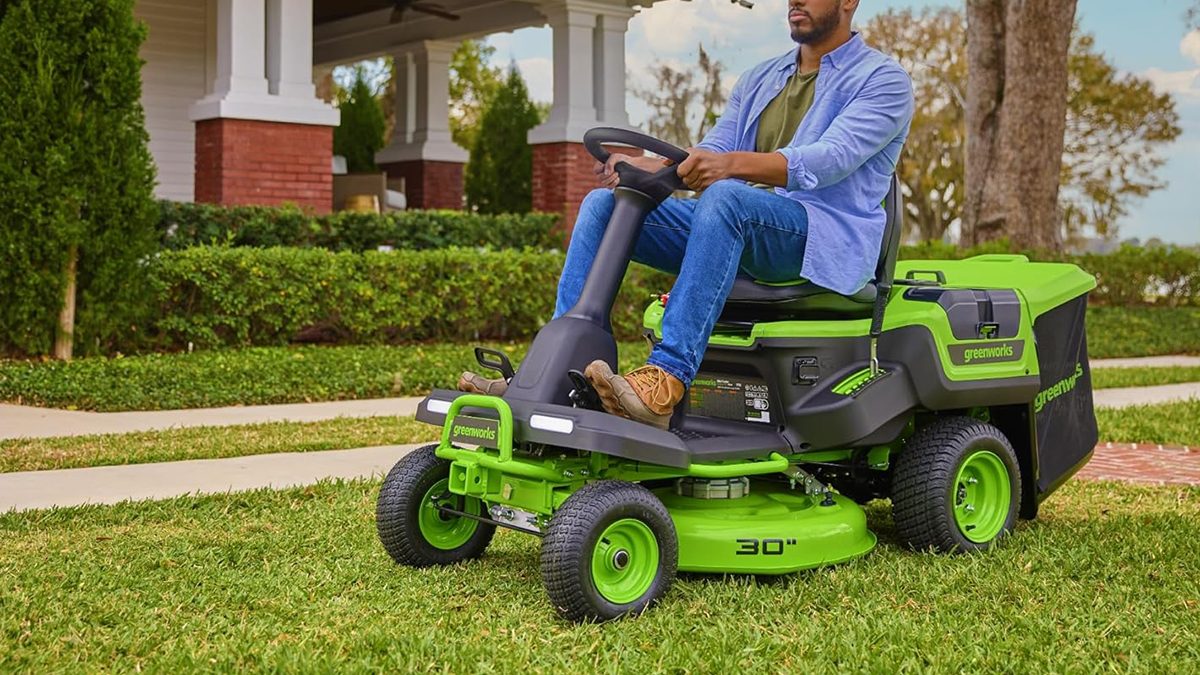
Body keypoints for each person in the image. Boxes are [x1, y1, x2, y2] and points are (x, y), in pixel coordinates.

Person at [460, 0, 914, 429]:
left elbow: (827, 159)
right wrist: (654, 168)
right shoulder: (763, 77)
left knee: (725, 198)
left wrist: (728, 168)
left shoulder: (882, 80)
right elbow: (713, 150)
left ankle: (666, 381)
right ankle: (557, 370)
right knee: (603, 205)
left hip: (818, 239)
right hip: (737, 224)